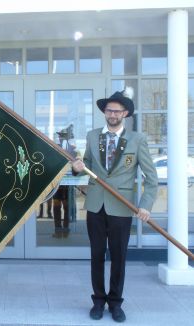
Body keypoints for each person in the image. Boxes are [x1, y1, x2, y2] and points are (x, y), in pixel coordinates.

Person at [72, 89, 158, 323]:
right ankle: (98, 301)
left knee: (119, 257)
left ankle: (115, 303)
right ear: (104, 112)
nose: (112, 114)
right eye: (109, 110)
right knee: (96, 255)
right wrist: (77, 167)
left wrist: (145, 205)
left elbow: (151, 178)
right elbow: (86, 164)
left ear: (125, 113)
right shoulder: (92, 136)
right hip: (95, 206)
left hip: (121, 207)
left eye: (117, 111)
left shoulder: (137, 140)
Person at [53, 126, 77, 238]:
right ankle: (57, 229)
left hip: (69, 183)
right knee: (56, 207)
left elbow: (76, 166)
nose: (61, 138)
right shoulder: (55, 148)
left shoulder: (73, 149)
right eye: (60, 136)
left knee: (67, 207)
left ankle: (66, 230)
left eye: (63, 136)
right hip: (58, 183)